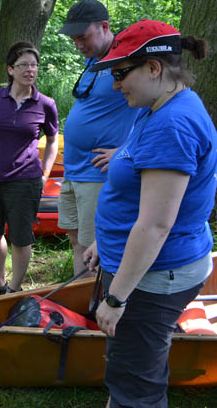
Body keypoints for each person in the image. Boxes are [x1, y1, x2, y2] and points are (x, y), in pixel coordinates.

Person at [83, 20, 215, 408]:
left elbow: (156, 224)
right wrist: (103, 244)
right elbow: (138, 189)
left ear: (154, 68)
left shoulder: (171, 124)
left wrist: (117, 298)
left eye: (121, 73)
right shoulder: (157, 106)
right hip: (142, 264)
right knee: (130, 368)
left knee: (136, 384)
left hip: (155, 275)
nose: (114, 84)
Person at [0, 42, 58, 297]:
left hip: (25, 179)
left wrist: (45, 174)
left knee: (21, 237)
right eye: (24, 65)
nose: (30, 70)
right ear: (10, 69)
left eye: (34, 65)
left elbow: (52, 140)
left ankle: (14, 289)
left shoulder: (46, 104)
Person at [58, 0, 140, 278]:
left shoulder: (127, 61)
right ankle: (81, 295)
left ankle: (103, 302)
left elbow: (153, 111)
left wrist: (125, 150)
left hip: (98, 173)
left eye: (83, 37)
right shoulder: (93, 59)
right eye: (74, 39)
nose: (78, 45)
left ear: (104, 27)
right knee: (77, 240)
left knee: (99, 247)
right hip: (73, 169)